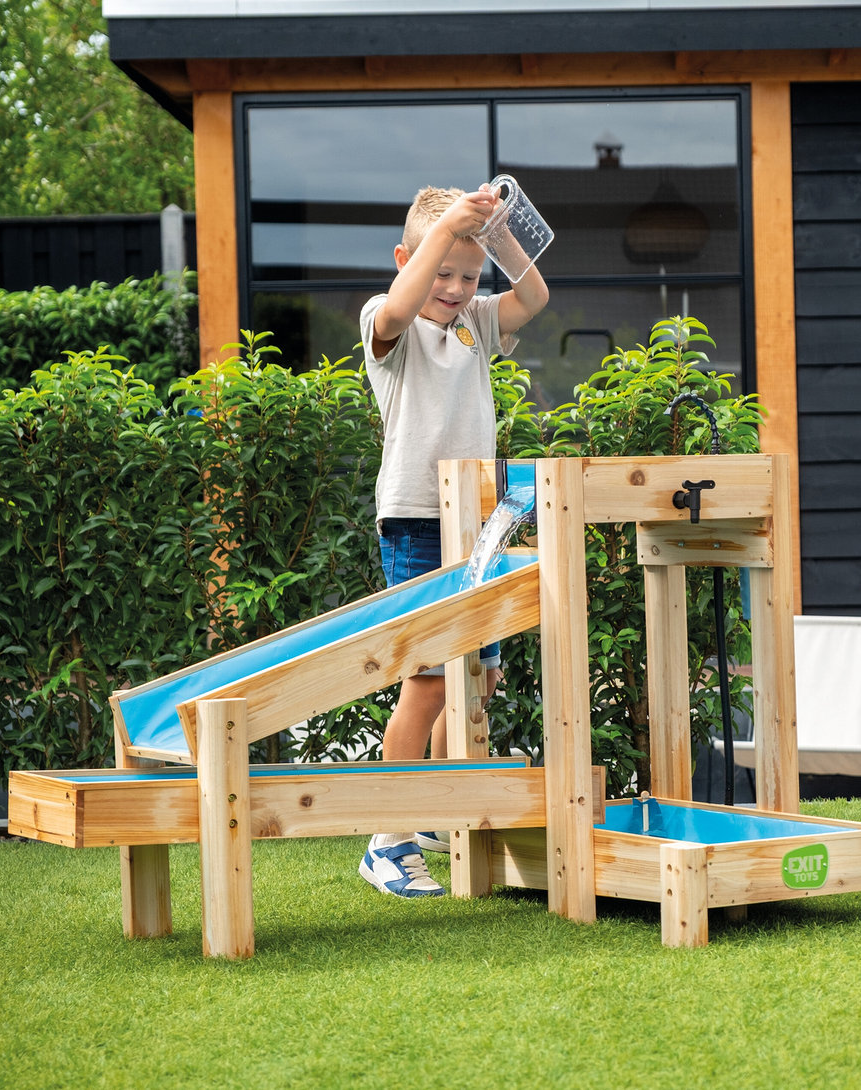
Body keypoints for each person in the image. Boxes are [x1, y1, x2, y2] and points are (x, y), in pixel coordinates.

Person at [358, 183, 550, 897]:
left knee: (480, 676)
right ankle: (388, 837)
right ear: (408, 258)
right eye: (443, 272)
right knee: (428, 679)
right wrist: (444, 237)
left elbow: (532, 299)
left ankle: (440, 810)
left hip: (478, 521)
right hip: (415, 517)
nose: (455, 288)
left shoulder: (476, 322)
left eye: (468, 277)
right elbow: (403, 305)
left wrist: (496, 234)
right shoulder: (387, 320)